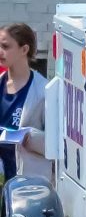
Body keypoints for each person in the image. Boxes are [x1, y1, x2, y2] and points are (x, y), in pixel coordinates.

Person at [0, 24, 48, 186]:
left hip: (26, 182)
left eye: (5, 46)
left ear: (24, 49)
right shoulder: (1, 83)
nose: (0, 51)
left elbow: (58, 145)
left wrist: (29, 137)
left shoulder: (43, 91)